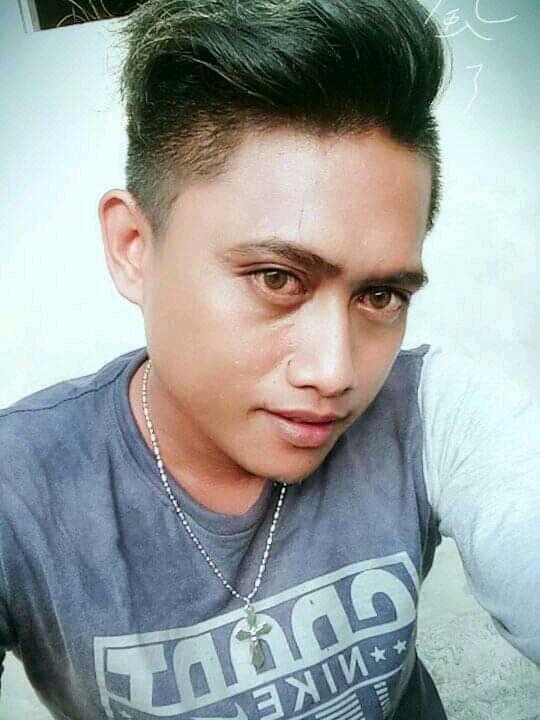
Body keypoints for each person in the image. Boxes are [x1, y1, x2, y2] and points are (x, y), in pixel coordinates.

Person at [1, 0, 538, 718]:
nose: (336, 372)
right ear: (134, 248)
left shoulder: (430, 412)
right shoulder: (20, 490)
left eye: (380, 295)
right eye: (277, 279)